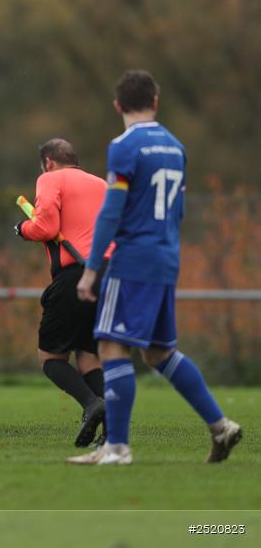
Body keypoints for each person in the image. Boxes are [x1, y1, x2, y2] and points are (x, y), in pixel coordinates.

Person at [69, 70, 242, 465]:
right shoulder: (176, 147)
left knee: (111, 344)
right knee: (160, 353)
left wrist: (92, 269)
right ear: (156, 102)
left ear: (118, 106)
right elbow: (177, 210)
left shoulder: (124, 146)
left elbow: (112, 211)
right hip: (166, 257)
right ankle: (220, 426)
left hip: (133, 259)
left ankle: (117, 447)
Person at [14, 138, 110, 446]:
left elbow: (44, 226)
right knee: (89, 355)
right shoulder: (101, 185)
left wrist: (22, 229)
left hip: (75, 274)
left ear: (49, 162)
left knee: (51, 357)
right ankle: (112, 428)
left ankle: (92, 405)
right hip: (109, 274)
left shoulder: (50, 178)